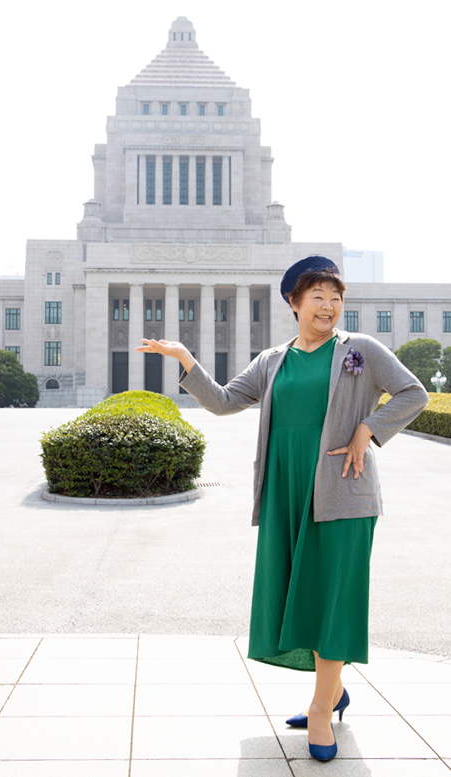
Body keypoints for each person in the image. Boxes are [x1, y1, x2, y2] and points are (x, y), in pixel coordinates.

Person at [135, 255, 428, 761]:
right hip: (285, 493)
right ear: (294, 303)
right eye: (317, 297)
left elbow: (413, 392)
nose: (329, 307)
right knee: (300, 595)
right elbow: (226, 400)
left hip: (343, 491)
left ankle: (320, 711)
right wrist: (186, 360)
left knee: (332, 600)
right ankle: (332, 692)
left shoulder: (359, 350)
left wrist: (368, 428)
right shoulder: (273, 359)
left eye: (336, 299)